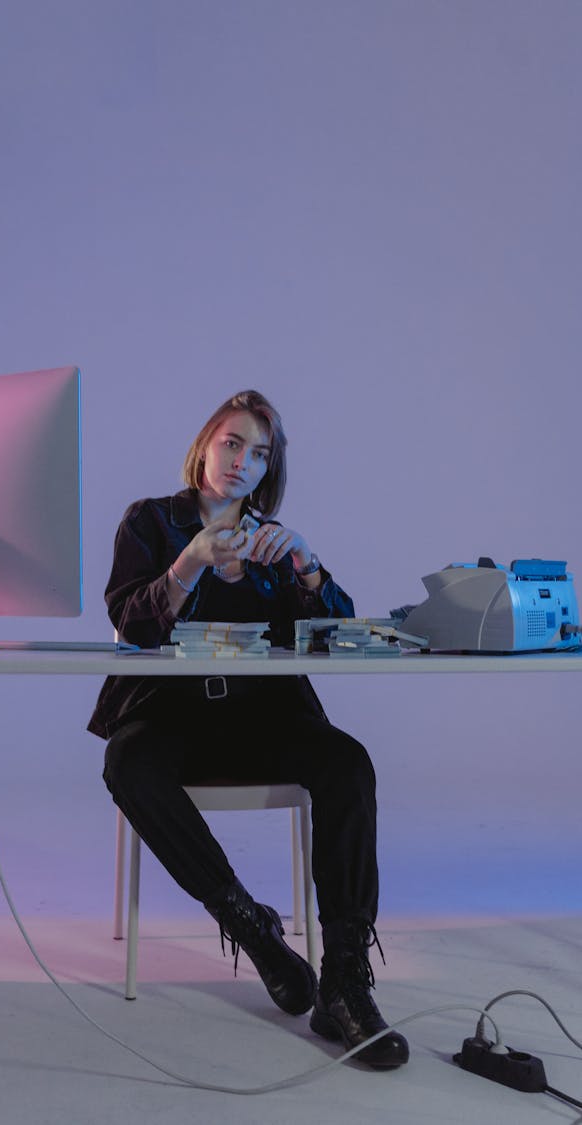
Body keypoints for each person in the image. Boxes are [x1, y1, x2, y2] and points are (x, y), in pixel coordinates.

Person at [88, 390, 408, 1070]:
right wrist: (190, 561)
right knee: (127, 763)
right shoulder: (150, 522)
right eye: (232, 443)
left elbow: (333, 633)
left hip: (264, 713)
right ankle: (254, 931)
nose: (241, 461)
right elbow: (131, 626)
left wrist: (308, 568)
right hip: (169, 712)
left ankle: (344, 983)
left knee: (348, 762)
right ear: (206, 443)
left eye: (259, 453)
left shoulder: (271, 539)